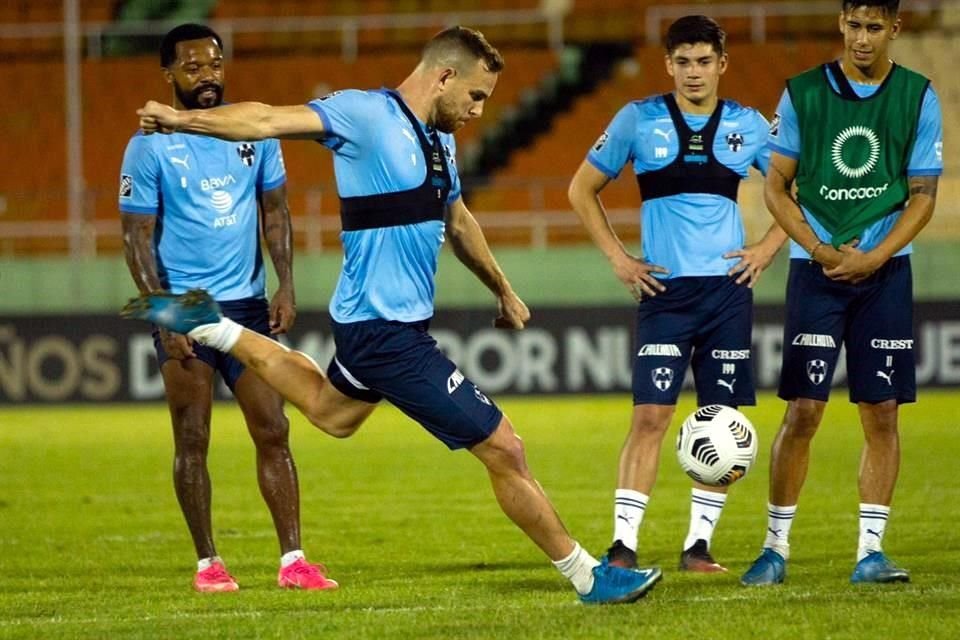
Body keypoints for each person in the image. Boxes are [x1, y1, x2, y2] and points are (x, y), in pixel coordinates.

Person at [123, 25, 662, 604]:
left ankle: (215, 326)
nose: (479, 110)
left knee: (333, 415)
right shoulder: (364, 115)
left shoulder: (440, 141)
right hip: (384, 334)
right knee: (505, 447)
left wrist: (502, 289)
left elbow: (457, 220)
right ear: (445, 76)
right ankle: (588, 576)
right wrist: (179, 121)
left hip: (385, 327)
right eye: (476, 96)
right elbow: (263, 120)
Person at [119, 23, 336, 593]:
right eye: (192, 67)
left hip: (246, 303)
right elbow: (135, 238)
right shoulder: (148, 146)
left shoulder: (254, 133)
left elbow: (276, 213)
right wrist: (165, 315)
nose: (207, 76)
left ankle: (294, 561)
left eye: (214, 65)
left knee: (274, 428)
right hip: (187, 305)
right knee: (192, 437)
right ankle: (207, 563)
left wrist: (285, 285)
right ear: (168, 74)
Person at [568, 15, 786, 573]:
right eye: (683, 61)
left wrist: (766, 247)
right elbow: (582, 188)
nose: (694, 72)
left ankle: (698, 547)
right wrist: (619, 258)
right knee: (650, 418)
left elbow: (796, 190)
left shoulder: (749, 125)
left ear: (722, 64)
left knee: (723, 422)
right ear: (668, 64)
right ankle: (622, 547)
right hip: (664, 293)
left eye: (704, 61)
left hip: (727, 294)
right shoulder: (638, 120)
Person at [740, 0, 942, 586]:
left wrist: (876, 255)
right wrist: (822, 249)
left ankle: (870, 553)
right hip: (816, 272)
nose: (861, 38)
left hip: (886, 273)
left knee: (881, 412)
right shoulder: (803, 92)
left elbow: (923, 193)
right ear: (840, 24)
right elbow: (776, 185)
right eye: (853, 25)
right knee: (803, 409)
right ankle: (774, 549)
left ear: (894, 29)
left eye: (873, 27)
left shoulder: (918, 95)